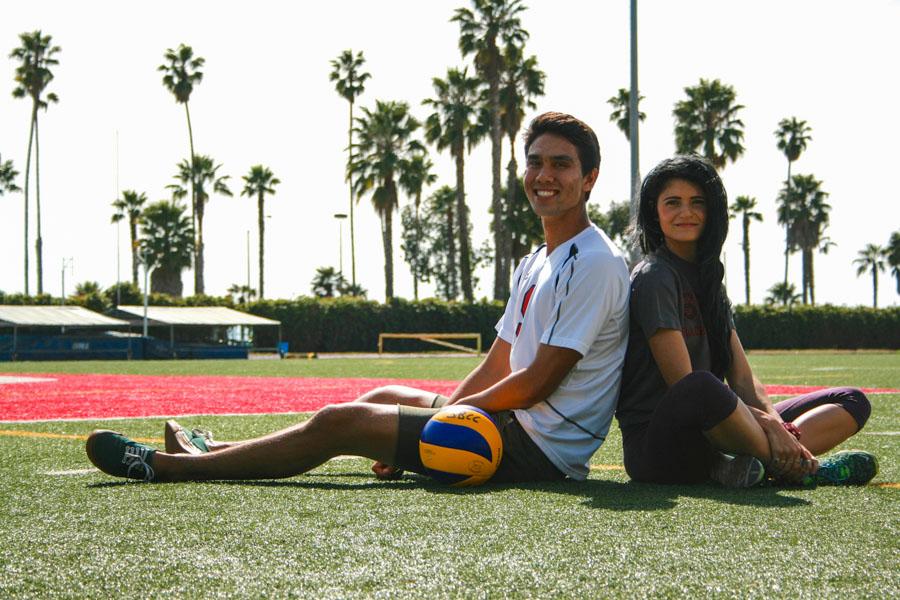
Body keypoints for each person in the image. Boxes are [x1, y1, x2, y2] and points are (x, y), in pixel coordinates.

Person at [86, 112, 631, 485]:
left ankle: (168, 467)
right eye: (536, 161)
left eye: (561, 164)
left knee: (339, 422)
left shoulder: (596, 261)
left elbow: (539, 382)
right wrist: (443, 412)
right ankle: (216, 453)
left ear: (589, 179)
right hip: (510, 426)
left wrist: (448, 419)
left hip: (541, 453)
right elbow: (500, 361)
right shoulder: (539, 258)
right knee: (382, 392)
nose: (544, 175)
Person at [614, 155, 876, 488]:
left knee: (851, 400)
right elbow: (683, 386)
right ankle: (801, 468)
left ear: (713, 212)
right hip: (661, 446)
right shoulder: (654, 277)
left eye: (697, 202)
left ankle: (754, 463)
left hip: (718, 428)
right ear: (655, 211)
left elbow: (742, 377)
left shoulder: (710, 281)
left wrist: (778, 426)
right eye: (673, 203)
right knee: (702, 385)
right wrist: (767, 424)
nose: (686, 212)